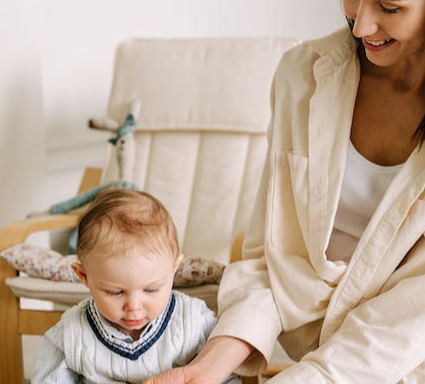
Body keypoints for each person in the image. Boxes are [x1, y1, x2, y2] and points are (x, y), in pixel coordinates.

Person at [144, 1, 425, 383]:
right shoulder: (302, 74)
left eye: (390, 8)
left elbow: (409, 318)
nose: (360, 27)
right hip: (309, 356)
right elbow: (271, 258)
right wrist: (208, 365)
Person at [31, 189, 240, 384]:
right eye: (116, 292)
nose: (134, 306)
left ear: (174, 269)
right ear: (84, 276)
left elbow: (223, 374)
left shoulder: (193, 322)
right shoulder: (71, 334)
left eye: (150, 290)